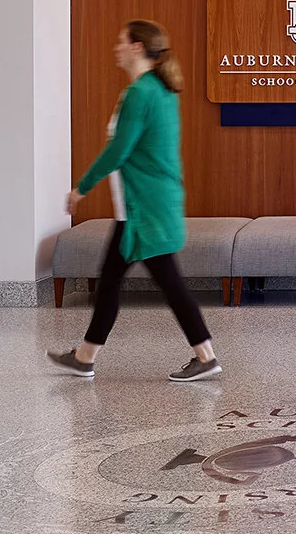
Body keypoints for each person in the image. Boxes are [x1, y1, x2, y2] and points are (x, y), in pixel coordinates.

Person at [47, 20, 222, 382]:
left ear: (138, 48)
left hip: (144, 210)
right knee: (115, 279)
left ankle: (205, 356)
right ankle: (85, 356)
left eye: (121, 42)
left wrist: (81, 187)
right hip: (145, 206)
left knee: (162, 280)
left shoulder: (141, 92)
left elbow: (119, 151)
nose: (116, 48)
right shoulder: (158, 89)